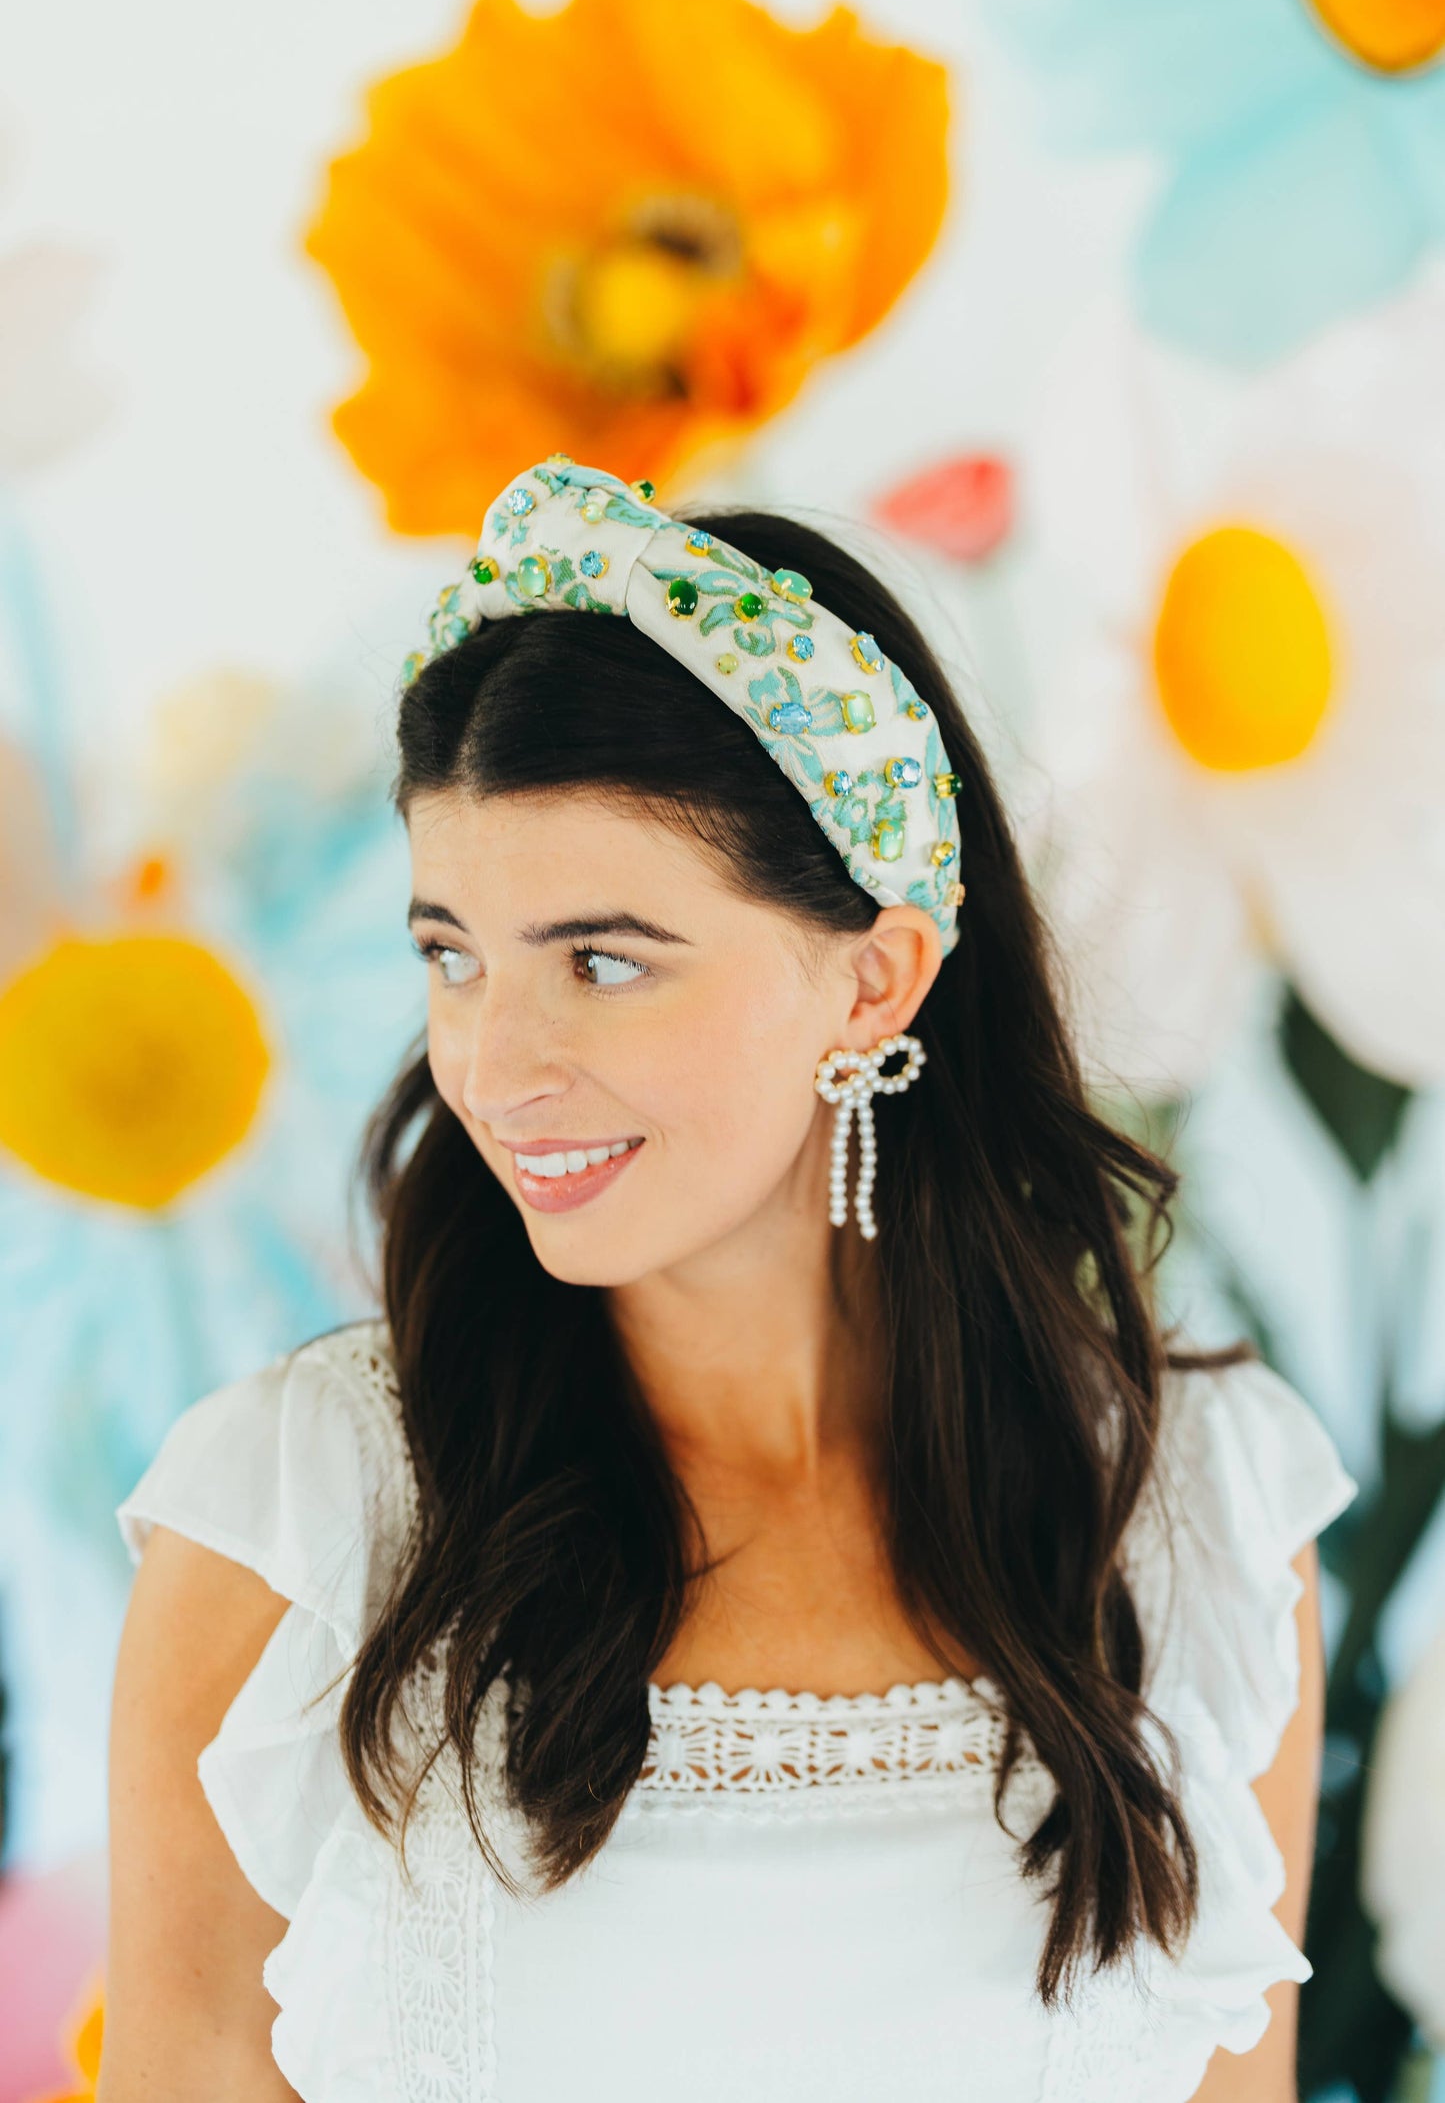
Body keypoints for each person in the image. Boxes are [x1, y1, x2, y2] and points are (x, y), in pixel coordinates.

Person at [100, 457, 1357, 2103]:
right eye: (451, 954)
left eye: (601, 959)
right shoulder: (292, 1528)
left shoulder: (1195, 1519)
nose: (495, 1064)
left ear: (874, 979)